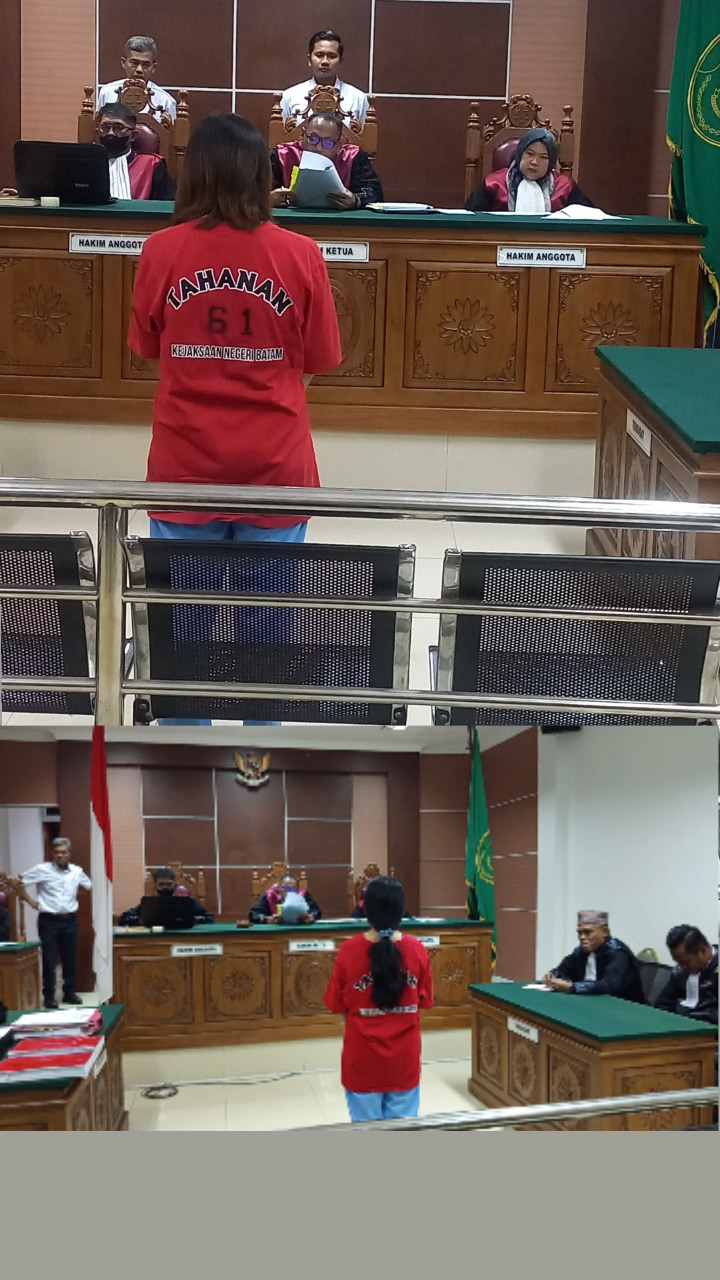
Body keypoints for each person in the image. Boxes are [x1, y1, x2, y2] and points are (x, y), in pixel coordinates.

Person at [128, 112, 342, 725]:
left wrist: (201, 374)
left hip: (184, 466)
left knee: (182, 636)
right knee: (267, 634)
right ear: (260, 175)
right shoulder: (301, 254)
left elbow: (150, 354)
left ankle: (182, 756)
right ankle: (261, 758)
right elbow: (316, 363)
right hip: (275, 467)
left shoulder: (161, 250)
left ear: (194, 173)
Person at [324, 876, 433, 1122]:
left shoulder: (349, 951)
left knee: (366, 1130)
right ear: (401, 909)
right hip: (404, 1059)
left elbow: (338, 1006)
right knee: (402, 1131)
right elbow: (423, 1004)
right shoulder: (417, 950)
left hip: (362, 1058)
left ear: (365, 908)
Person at [20, 838, 92, 1010]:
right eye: (57, 852)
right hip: (49, 921)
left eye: (64, 852)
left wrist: (72, 897)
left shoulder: (76, 871)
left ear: (69, 854)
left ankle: (69, 992)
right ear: (52, 853)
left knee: (70, 958)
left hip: (70, 920)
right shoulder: (42, 869)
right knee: (49, 959)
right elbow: (18, 884)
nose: (60, 855)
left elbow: (88, 886)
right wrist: (31, 902)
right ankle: (49, 996)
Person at [465, 127, 593, 213]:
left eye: (543, 157)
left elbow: (590, 219)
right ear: (520, 154)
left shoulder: (565, 186)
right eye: (530, 154)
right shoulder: (494, 183)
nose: (534, 162)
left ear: (551, 162)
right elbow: (470, 218)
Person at [271, 112, 382, 211]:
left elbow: (374, 192)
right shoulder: (281, 155)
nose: (318, 148)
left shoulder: (353, 156)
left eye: (328, 143)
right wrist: (268, 199)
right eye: (312, 139)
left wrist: (355, 200)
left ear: (340, 144)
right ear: (302, 136)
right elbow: (261, 190)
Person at [542, 910, 646, 1003]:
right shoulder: (581, 952)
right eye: (580, 933)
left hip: (623, 1006)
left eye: (588, 932)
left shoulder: (618, 953)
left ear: (605, 932)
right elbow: (564, 969)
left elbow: (608, 985)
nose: (582, 937)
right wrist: (553, 975)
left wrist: (572, 987)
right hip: (590, 1002)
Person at [281, 31, 369, 127]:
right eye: (319, 55)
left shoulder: (358, 98)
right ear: (309, 60)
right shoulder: (289, 97)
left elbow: (366, 135)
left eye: (332, 56)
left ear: (340, 61)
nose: (325, 61)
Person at [96, 103, 175, 201]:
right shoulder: (87, 164)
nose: (110, 133)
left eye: (118, 127)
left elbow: (166, 205)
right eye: (105, 126)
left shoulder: (152, 164)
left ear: (133, 136)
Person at [97, 35, 177, 123]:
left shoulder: (166, 101)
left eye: (146, 65)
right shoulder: (107, 93)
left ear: (154, 68)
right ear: (123, 63)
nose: (139, 70)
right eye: (134, 63)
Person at [655, 925, 718, 1023]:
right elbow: (662, 1004)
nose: (682, 967)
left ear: (703, 950)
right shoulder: (682, 971)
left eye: (686, 962)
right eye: (678, 962)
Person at [118, 867, 214, 926]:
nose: (165, 888)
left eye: (168, 884)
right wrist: (140, 920)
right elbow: (124, 918)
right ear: (155, 885)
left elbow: (209, 917)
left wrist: (191, 920)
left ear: (175, 884)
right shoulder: (149, 903)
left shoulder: (186, 902)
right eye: (161, 884)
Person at [249, 874, 322, 925]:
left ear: (297, 890)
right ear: (279, 888)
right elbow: (254, 915)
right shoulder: (269, 896)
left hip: (299, 932)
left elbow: (316, 911)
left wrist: (311, 917)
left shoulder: (303, 895)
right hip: (274, 934)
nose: (288, 891)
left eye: (292, 889)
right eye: (285, 888)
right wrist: (267, 919)